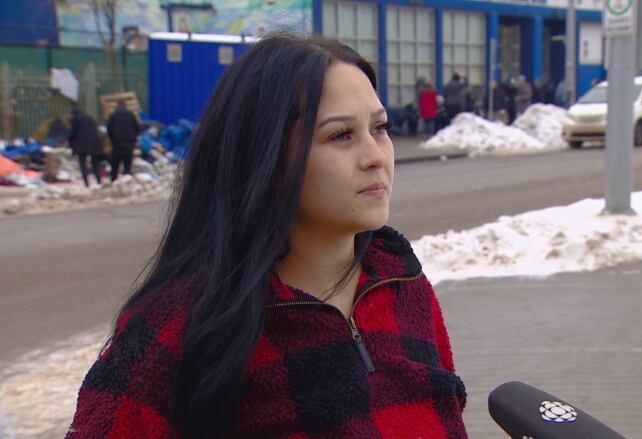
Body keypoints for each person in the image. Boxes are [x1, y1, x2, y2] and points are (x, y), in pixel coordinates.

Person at [66, 34, 467, 439]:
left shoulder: (403, 287)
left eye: (380, 128)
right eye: (340, 135)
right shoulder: (180, 332)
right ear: (266, 154)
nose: (377, 156)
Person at [68, 107, 103, 188]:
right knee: (95, 164)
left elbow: (73, 133)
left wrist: (70, 142)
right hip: (94, 143)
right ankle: (98, 181)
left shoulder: (76, 120)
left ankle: (86, 183)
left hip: (81, 145)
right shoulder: (91, 119)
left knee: (83, 164)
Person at [106, 99, 140, 181]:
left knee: (115, 164)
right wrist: (134, 138)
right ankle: (126, 180)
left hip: (117, 143)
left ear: (117, 105)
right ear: (125, 106)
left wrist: (112, 139)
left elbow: (109, 129)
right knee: (127, 164)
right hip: (129, 143)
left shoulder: (113, 115)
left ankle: (113, 180)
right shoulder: (131, 115)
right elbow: (137, 127)